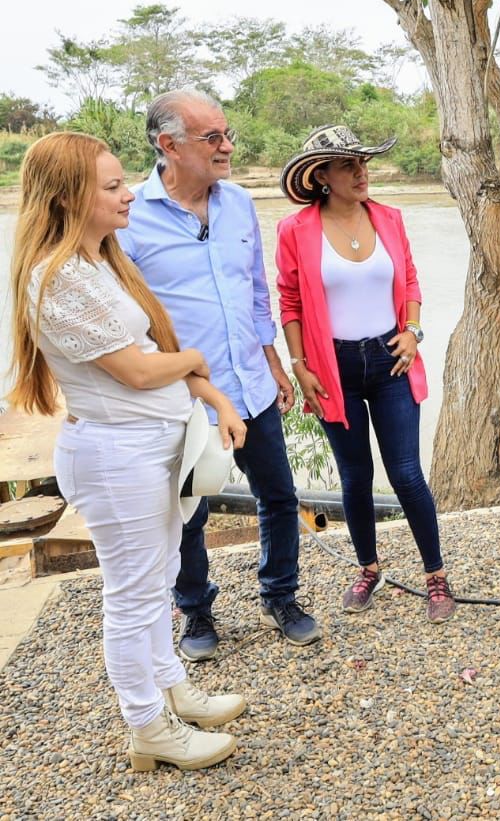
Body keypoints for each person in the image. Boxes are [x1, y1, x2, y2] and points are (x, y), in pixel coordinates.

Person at [7, 132, 248, 770]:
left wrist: (213, 396)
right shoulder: (56, 279)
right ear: (67, 198)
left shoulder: (103, 262)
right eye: (111, 186)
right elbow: (139, 372)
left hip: (149, 451)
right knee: (134, 593)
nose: (130, 193)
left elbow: (151, 359)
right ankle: (148, 726)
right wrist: (197, 358)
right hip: (119, 456)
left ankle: (172, 689)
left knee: (158, 577)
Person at [117, 89, 320, 659]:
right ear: (169, 145)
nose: (227, 146)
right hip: (184, 398)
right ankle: (197, 611)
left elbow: (257, 291)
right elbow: (128, 323)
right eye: (213, 138)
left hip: (250, 384)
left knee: (279, 495)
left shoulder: (237, 204)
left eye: (227, 134)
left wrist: (275, 361)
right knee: (188, 511)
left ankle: (281, 595)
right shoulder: (131, 219)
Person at [275, 125, 456, 622]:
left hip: (390, 359)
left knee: (406, 473)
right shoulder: (295, 231)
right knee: (355, 477)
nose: (361, 173)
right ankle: (368, 568)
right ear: (322, 177)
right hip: (333, 368)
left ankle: (436, 577)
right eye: (348, 165)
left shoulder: (390, 218)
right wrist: (299, 365)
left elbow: (411, 279)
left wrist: (414, 331)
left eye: (363, 163)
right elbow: (289, 301)